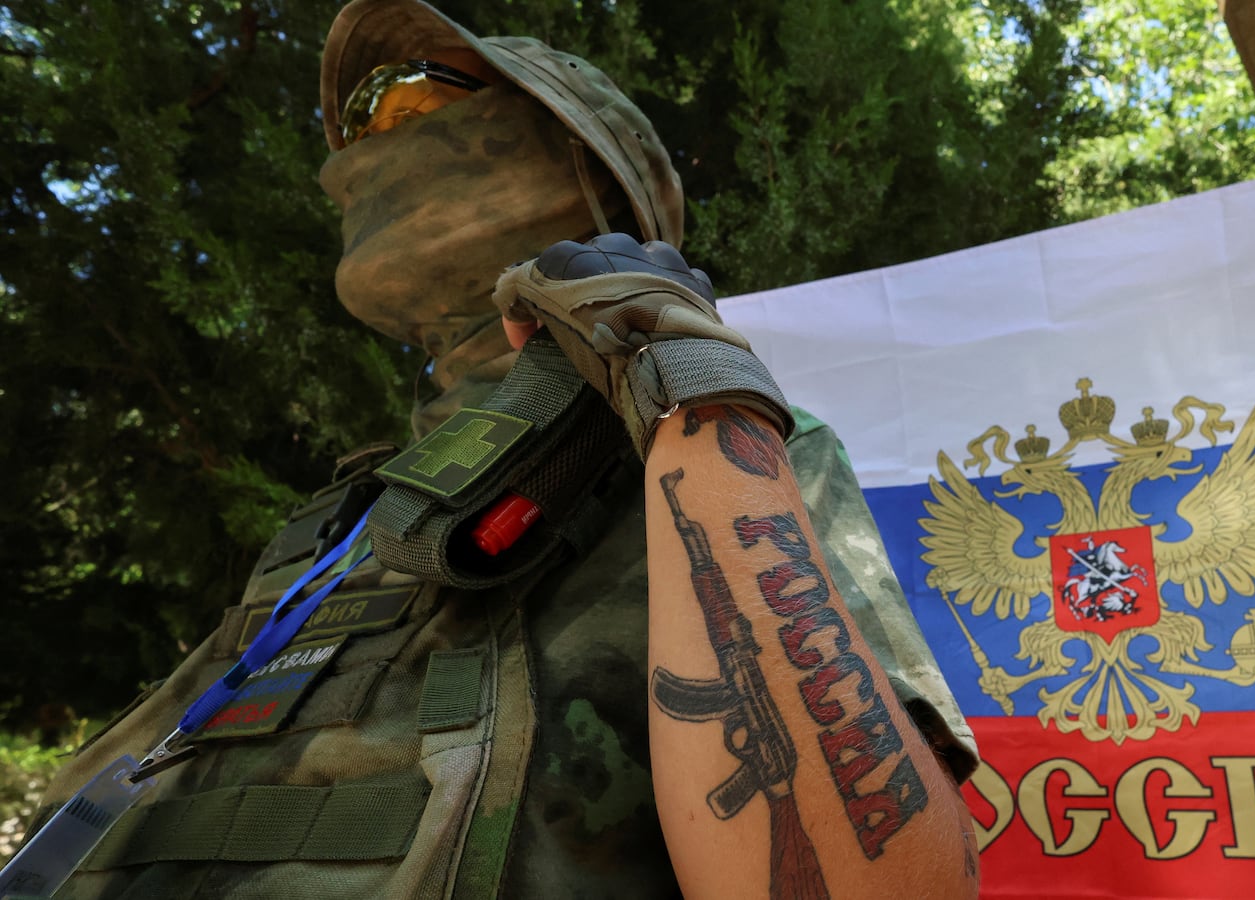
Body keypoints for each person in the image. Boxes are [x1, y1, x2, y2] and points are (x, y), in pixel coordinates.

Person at [31, 1, 979, 896]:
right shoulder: (339, 519)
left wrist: (684, 376)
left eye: (420, 98)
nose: (376, 141)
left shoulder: (712, 445)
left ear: (588, 165)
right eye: (362, 122)